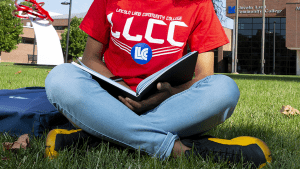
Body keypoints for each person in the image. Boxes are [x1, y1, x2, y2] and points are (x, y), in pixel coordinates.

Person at [44, 0, 271, 167]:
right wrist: (118, 84)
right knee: (60, 77)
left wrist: (168, 93)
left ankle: (97, 134)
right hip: (112, 99)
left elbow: (205, 76)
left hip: (168, 103)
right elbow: (90, 58)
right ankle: (179, 149)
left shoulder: (199, 4)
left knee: (224, 89)